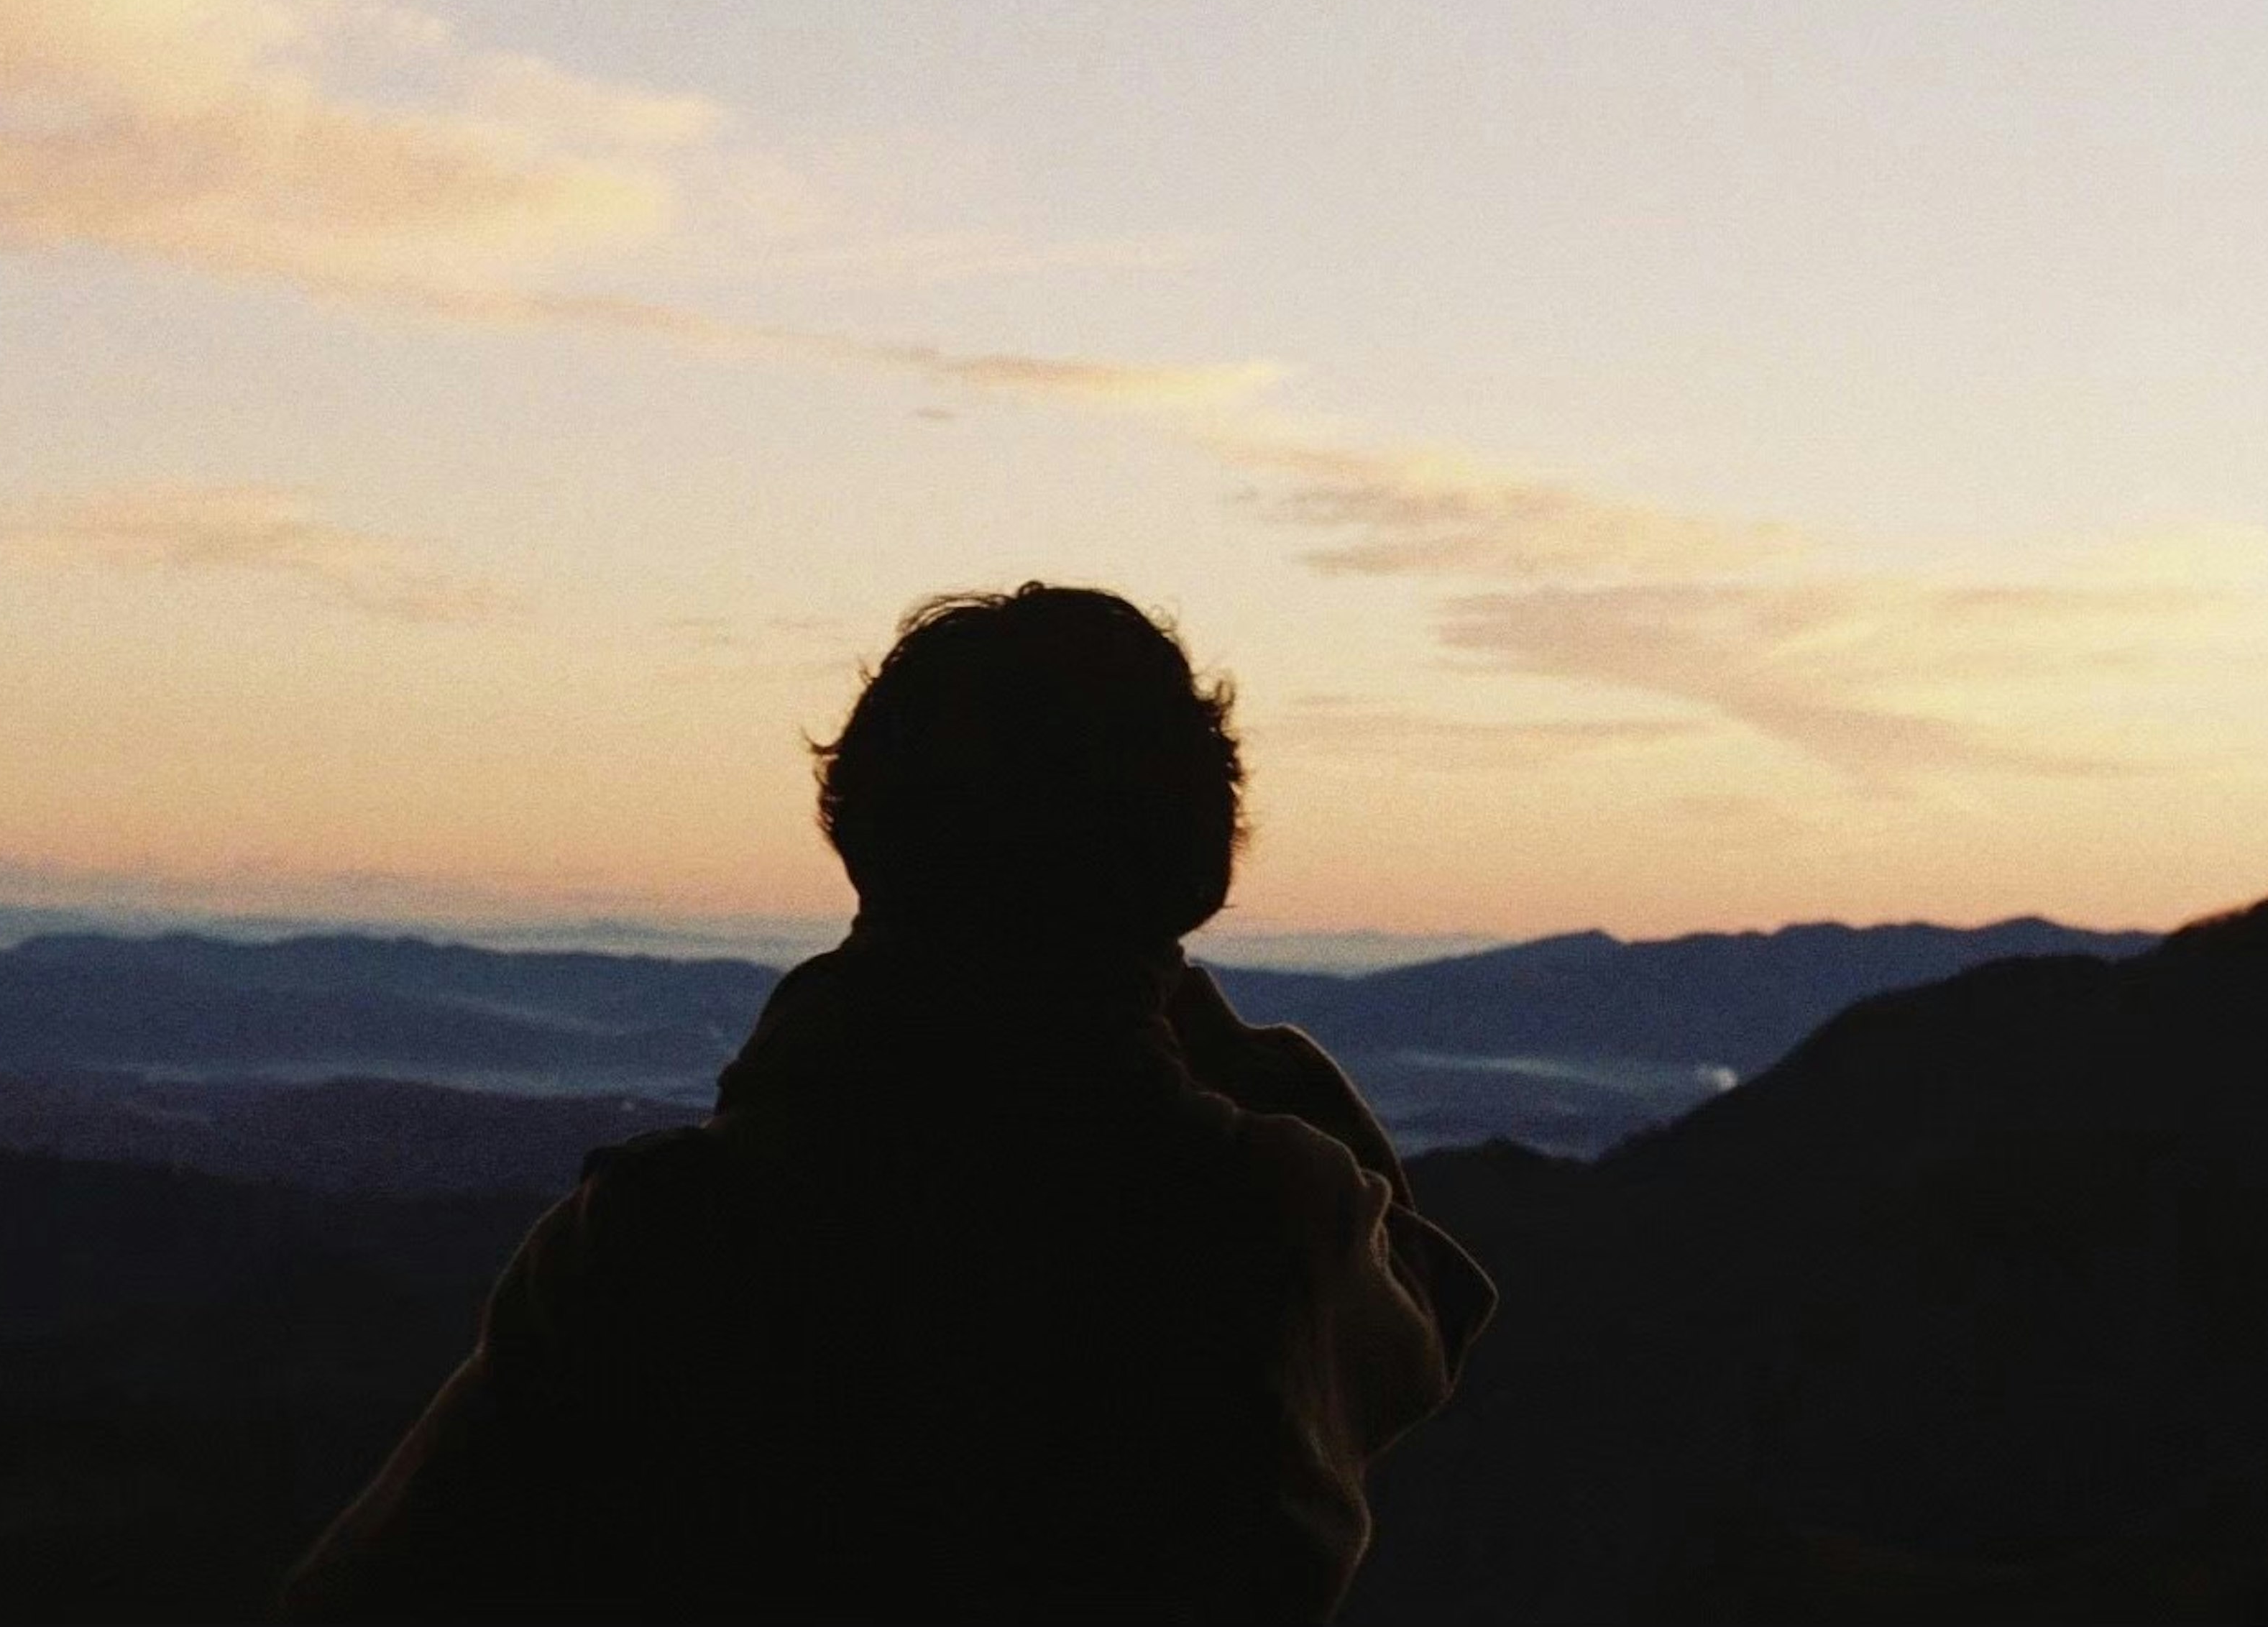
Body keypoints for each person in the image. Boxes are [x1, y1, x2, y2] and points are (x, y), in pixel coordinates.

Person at [280, 584, 1495, 1623]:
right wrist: (1241, 1055)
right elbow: (1421, 1323)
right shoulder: (1266, 1226)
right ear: (1198, 876)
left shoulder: (661, 1238)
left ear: (861, 835)